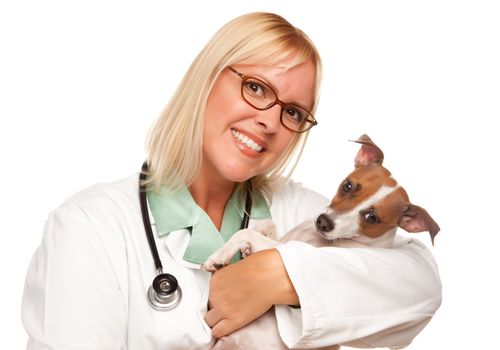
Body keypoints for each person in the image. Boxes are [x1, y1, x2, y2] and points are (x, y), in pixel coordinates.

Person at [21, 12, 442, 349]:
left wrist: (278, 273)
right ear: (207, 77)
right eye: (256, 88)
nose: (270, 121)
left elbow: (419, 286)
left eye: (293, 112)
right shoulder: (89, 227)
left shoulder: (301, 214)